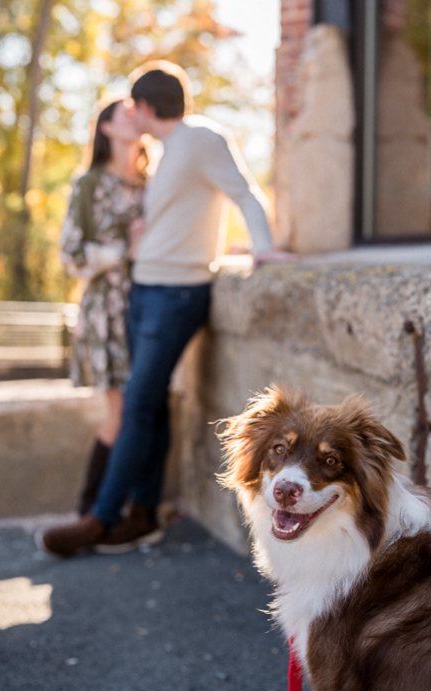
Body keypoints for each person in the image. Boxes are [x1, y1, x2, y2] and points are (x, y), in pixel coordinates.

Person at [37, 60, 296, 557]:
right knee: (148, 407)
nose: (131, 114)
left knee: (136, 405)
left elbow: (244, 192)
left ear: (146, 107)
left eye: (133, 105)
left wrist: (262, 247)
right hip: (144, 290)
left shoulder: (201, 139)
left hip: (175, 294)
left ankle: (99, 519)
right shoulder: (162, 154)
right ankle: (142, 514)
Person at [58, 98, 147, 517]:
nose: (136, 117)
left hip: (148, 305)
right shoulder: (89, 184)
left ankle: (129, 507)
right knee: (121, 412)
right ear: (107, 128)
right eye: (125, 112)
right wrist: (122, 250)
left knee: (143, 407)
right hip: (107, 311)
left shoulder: (152, 182)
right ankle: (90, 510)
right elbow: (70, 257)